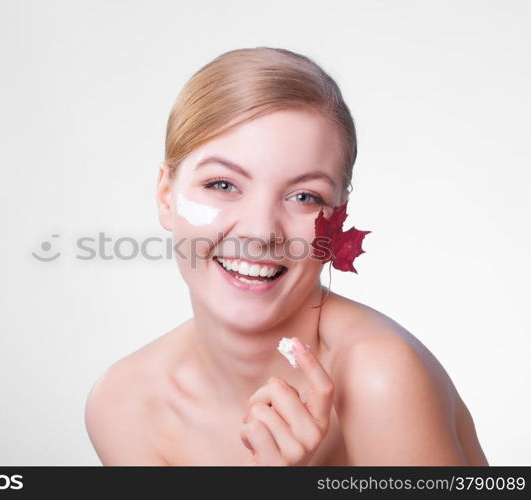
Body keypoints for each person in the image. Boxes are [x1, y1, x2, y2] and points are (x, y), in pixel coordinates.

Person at [85, 46, 489, 466]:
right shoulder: (123, 404)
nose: (261, 233)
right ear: (166, 196)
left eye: (304, 196)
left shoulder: (381, 377)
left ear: (338, 217)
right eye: (222, 185)